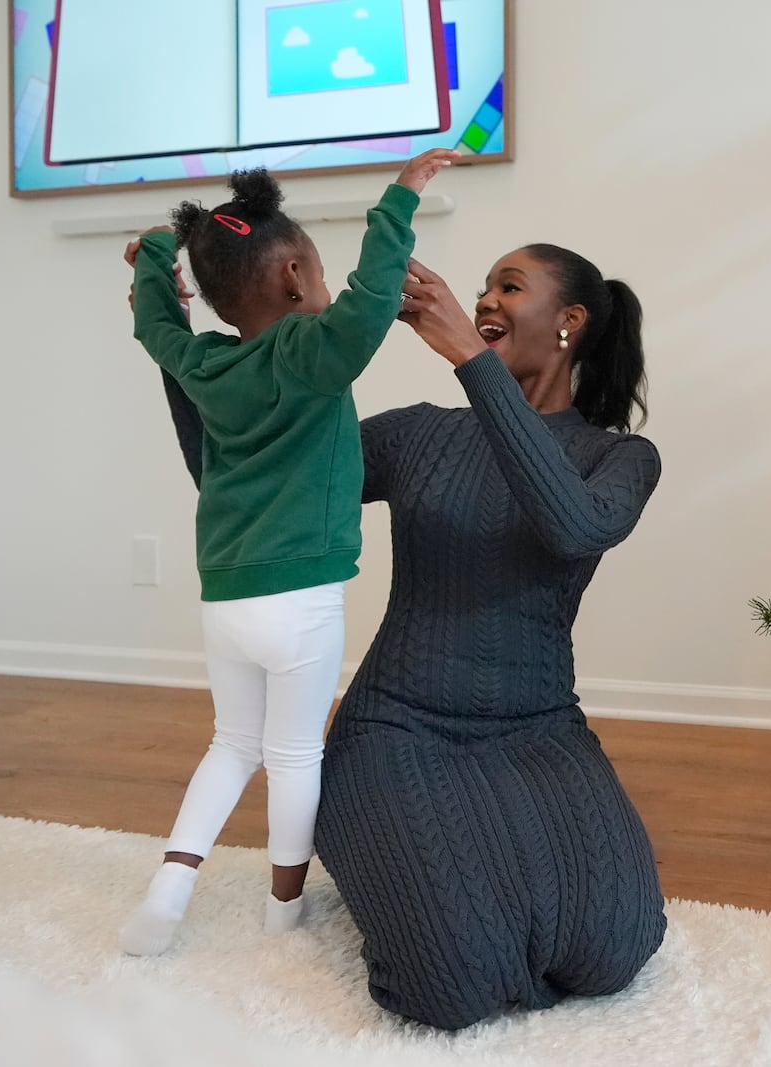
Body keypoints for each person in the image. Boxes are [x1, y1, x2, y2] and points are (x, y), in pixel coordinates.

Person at [153, 241, 667, 1028]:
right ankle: (378, 838)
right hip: (399, 725)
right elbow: (232, 473)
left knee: (614, 948)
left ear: (570, 321)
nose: (486, 299)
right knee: (448, 983)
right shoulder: (420, 434)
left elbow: (571, 525)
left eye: (509, 286)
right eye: (482, 288)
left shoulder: (620, 458)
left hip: (538, 730)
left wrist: (468, 355)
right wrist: (175, 346)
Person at [120, 148, 459, 957]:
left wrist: (158, 252)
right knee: (294, 751)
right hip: (301, 601)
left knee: (231, 744)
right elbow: (375, 297)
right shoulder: (314, 355)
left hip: (225, 598)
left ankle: (171, 883)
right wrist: (399, 196)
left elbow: (155, 323)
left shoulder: (205, 362)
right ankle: (283, 910)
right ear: (299, 276)